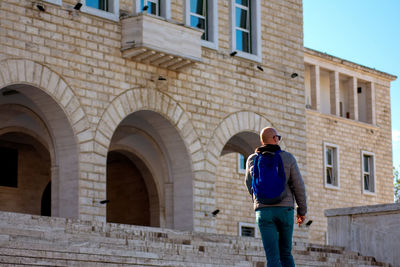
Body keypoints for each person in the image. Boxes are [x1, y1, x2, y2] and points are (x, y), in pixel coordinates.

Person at [245, 127, 307, 267]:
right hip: (285, 209)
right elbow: (299, 186)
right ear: (275, 139)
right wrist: (301, 211)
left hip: (263, 211)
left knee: (272, 256)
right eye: (278, 136)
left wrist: (258, 201)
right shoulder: (287, 158)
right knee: (285, 253)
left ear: (262, 141)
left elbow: (249, 184)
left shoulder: (252, 159)